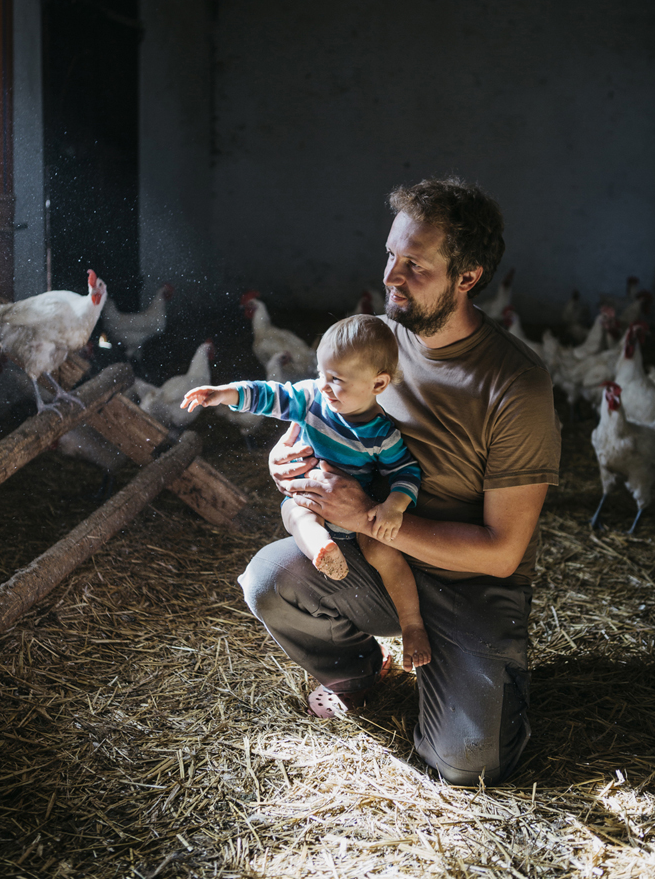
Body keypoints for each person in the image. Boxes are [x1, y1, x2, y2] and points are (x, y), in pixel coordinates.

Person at [237, 176, 561, 787]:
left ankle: (491, 684)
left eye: (416, 264)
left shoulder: (516, 384)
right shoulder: (375, 342)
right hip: (377, 564)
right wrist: (288, 457)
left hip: (470, 586)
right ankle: (359, 669)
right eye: (391, 253)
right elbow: (316, 411)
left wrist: (365, 516)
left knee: (468, 764)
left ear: (468, 277)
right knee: (270, 579)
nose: (392, 275)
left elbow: (503, 552)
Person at [181, 314, 432, 674]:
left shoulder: (382, 434)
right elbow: (270, 395)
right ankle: (321, 549)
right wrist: (224, 394)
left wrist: (394, 505)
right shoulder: (312, 399)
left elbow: (406, 471)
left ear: (378, 383)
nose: (324, 386)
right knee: (296, 513)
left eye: (337, 380)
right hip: (312, 503)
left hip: (358, 515)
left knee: (384, 551)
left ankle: (412, 626)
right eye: (321, 374)